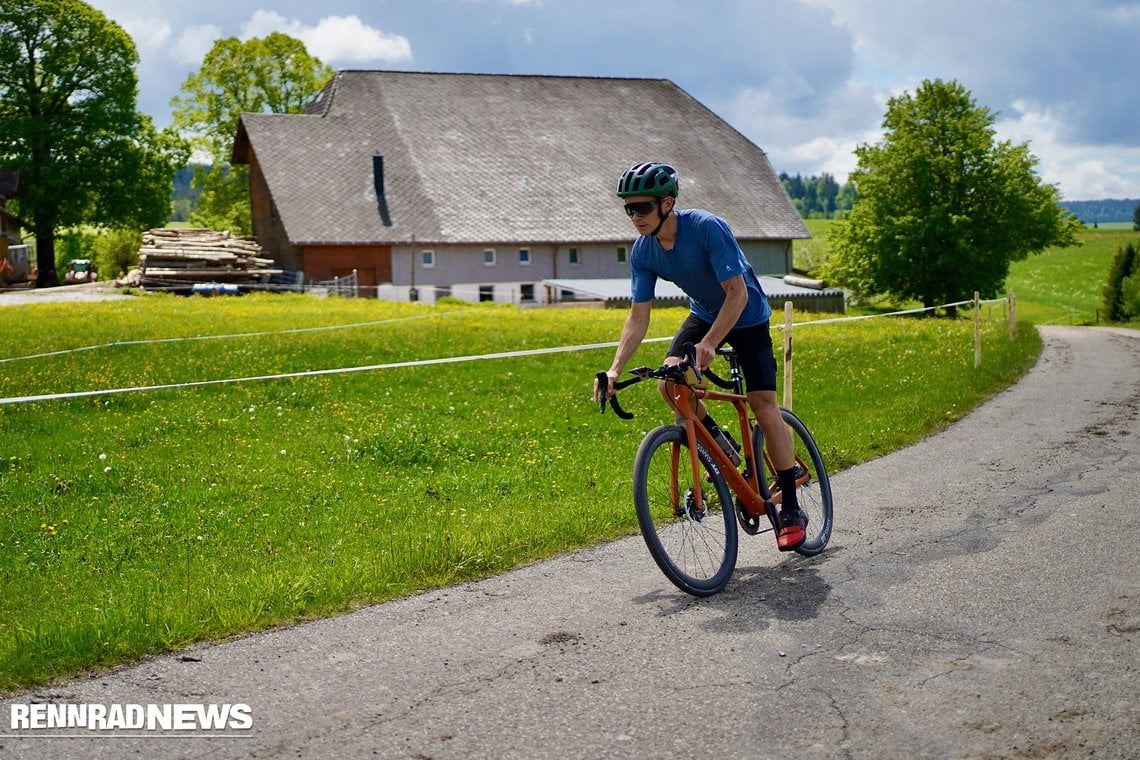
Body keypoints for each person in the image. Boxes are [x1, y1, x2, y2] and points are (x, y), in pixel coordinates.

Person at [594, 161, 808, 550]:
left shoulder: (707, 227)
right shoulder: (643, 252)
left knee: (763, 406)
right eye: (629, 209)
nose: (635, 217)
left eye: (642, 208)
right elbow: (638, 315)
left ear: (667, 203)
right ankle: (722, 447)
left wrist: (709, 344)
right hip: (704, 313)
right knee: (670, 384)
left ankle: (791, 507)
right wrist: (613, 370)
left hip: (747, 315)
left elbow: (737, 293)